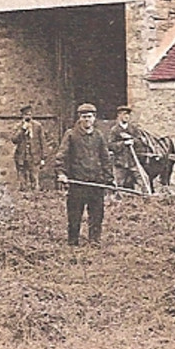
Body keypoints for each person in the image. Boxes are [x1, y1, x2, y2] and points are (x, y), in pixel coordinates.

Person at [58, 103, 112, 245]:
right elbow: (61, 157)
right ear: (79, 118)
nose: (87, 119)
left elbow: (105, 158)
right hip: (78, 183)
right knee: (74, 216)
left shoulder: (99, 136)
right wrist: (62, 174)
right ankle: (73, 244)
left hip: (96, 183)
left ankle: (94, 242)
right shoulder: (71, 135)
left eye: (90, 116)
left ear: (94, 118)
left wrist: (109, 179)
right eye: (84, 117)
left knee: (96, 216)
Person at [107, 105, 144, 196]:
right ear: (119, 116)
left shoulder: (133, 129)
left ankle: (146, 199)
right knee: (118, 184)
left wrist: (132, 140)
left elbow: (140, 141)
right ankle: (118, 203)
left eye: (128, 115)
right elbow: (110, 145)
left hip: (133, 161)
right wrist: (123, 144)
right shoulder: (114, 130)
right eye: (124, 114)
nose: (126, 117)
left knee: (143, 180)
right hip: (120, 163)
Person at [11, 105, 47, 192]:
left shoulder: (37, 126)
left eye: (30, 115)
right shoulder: (18, 126)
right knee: (22, 181)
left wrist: (43, 158)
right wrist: (22, 129)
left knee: (34, 179)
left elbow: (43, 142)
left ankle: (35, 198)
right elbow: (14, 140)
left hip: (34, 157)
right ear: (22, 116)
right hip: (21, 157)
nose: (28, 117)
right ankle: (24, 199)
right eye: (26, 115)